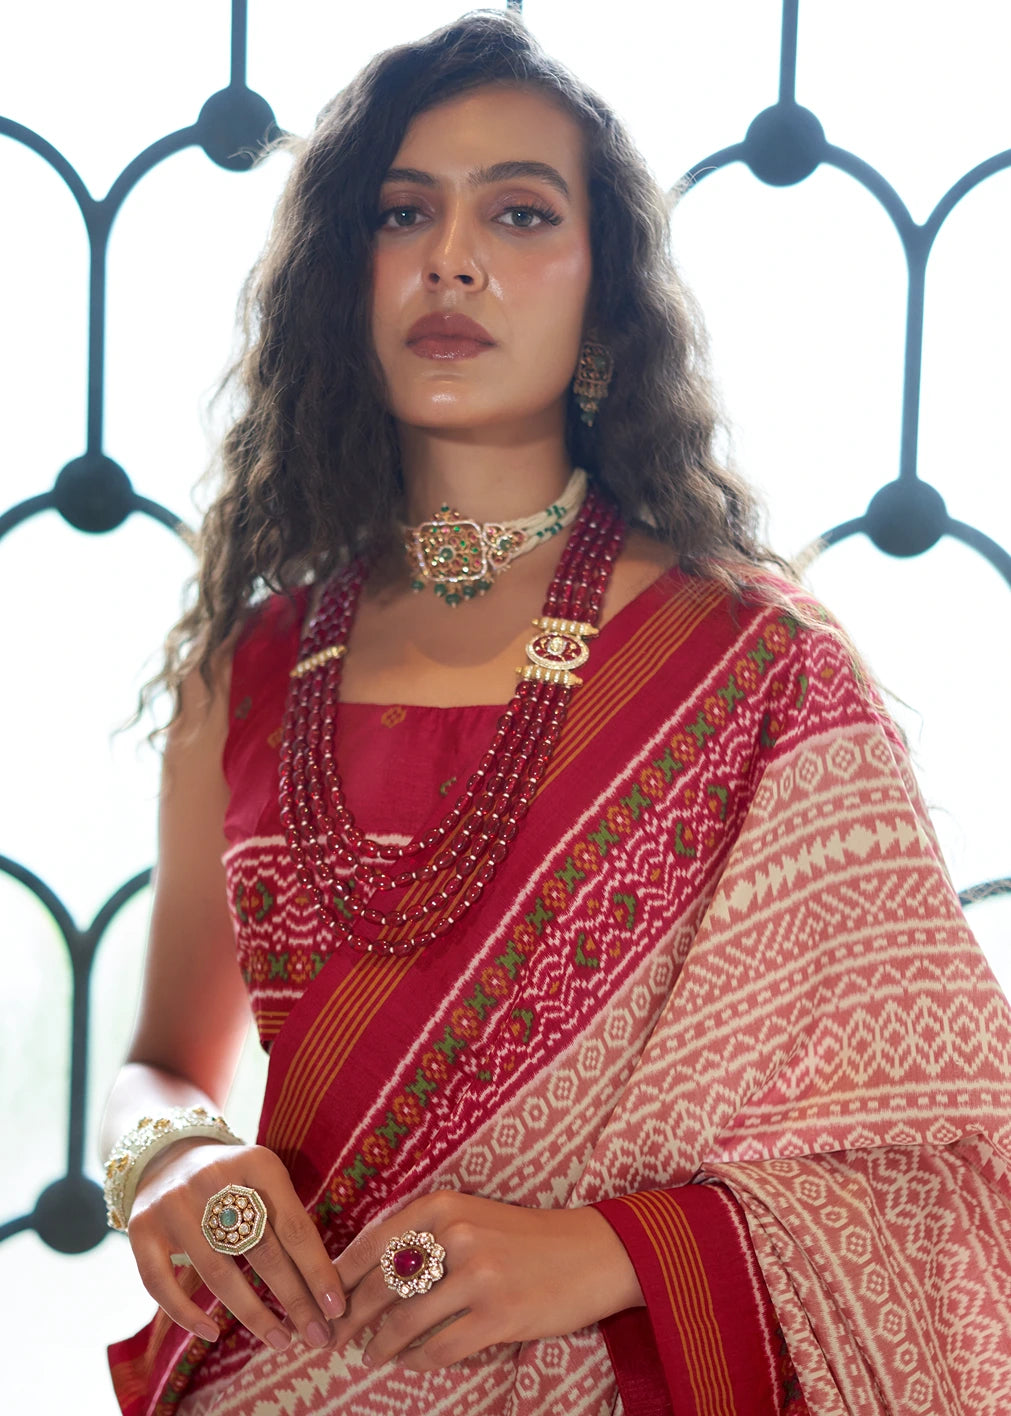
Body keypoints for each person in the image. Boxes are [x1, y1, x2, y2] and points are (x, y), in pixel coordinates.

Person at [102, 10, 1011, 1415]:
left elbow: (942, 1162)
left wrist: (606, 1250)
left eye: (520, 212)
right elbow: (165, 1061)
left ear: (606, 301)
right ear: (349, 280)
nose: (452, 255)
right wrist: (171, 1160)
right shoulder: (254, 672)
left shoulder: (759, 673)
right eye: (404, 211)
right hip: (289, 1371)